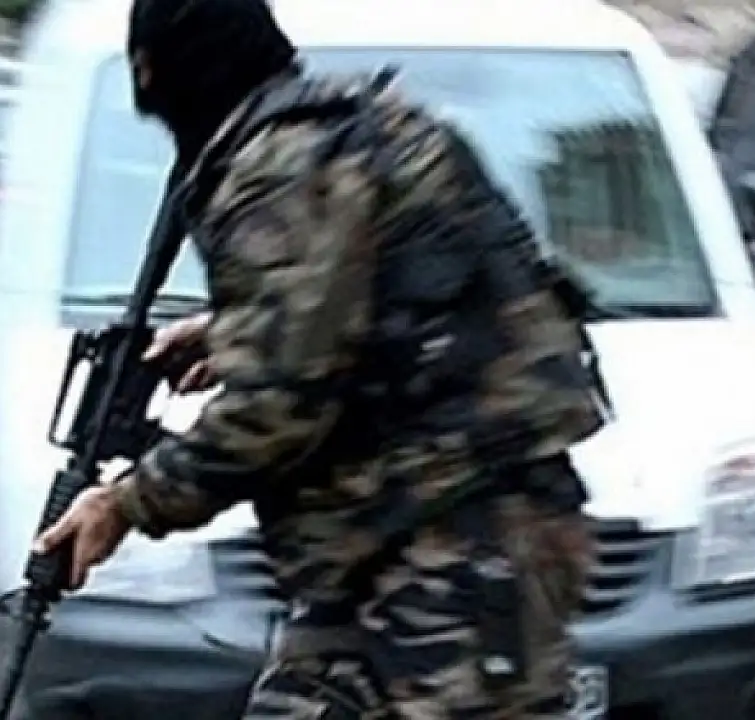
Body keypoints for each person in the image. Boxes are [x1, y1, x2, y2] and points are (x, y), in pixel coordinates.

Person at [29, 0, 607, 717]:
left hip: (463, 543)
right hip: (395, 543)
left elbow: (276, 408)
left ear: (157, 72)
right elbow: (381, 296)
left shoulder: (278, 168)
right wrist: (230, 330)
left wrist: (125, 504)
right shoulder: (345, 129)